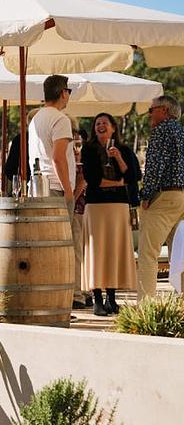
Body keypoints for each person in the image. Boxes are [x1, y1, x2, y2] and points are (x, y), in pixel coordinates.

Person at [81, 113, 139, 315]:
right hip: (96, 206)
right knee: (97, 252)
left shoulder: (124, 149)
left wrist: (119, 158)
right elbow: (93, 180)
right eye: (97, 123)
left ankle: (111, 300)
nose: (100, 125)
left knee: (114, 251)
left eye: (105, 123)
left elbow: (132, 176)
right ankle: (97, 299)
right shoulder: (88, 150)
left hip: (118, 206)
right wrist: (118, 182)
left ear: (113, 127)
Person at [138, 95, 184, 300]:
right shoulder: (181, 131)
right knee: (180, 254)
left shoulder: (161, 131)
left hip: (164, 197)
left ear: (164, 110)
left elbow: (155, 166)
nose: (149, 115)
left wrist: (146, 195)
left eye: (151, 110)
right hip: (182, 197)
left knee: (148, 254)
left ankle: (145, 307)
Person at [28, 75, 75, 217]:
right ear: (63, 93)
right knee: (62, 231)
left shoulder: (35, 119)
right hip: (56, 188)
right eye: (69, 91)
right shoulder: (61, 119)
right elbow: (58, 158)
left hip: (37, 187)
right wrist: (68, 190)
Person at [72, 126, 92, 309]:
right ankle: (86, 292)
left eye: (78, 144)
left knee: (78, 251)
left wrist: (70, 202)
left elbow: (82, 182)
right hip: (86, 209)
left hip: (79, 209)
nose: (76, 149)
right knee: (84, 252)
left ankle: (78, 293)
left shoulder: (80, 164)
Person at [4, 108, 40, 192]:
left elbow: (9, 170)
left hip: (24, 187)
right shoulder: (44, 139)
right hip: (40, 185)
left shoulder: (19, 139)